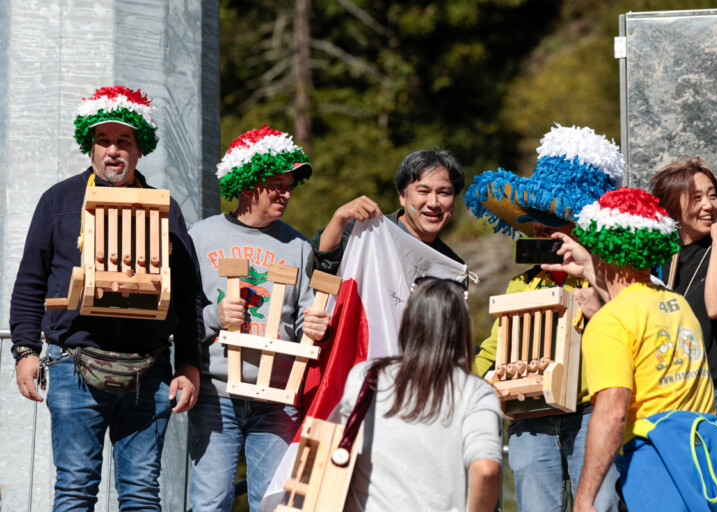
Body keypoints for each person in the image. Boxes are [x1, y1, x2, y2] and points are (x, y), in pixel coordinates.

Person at [9, 85, 201, 510]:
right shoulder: (58, 201)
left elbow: (187, 297)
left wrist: (188, 363)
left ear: (139, 149)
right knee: (76, 488)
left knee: (140, 492)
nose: (114, 151)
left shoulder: (164, 208)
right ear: (90, 147)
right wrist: (25, 350)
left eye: (124, 141)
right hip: (72, 366)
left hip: (148, 372)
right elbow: (30, 283)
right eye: (104, 141)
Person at [545, 187, 717, 512]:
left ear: (605, 251)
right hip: (707, 466)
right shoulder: (677, 304)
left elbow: (612, 412)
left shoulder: (610, 322)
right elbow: (637, 295)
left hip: (656, 470)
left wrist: (584, 499)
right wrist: (591, 266)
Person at [465, 124, 625, 511]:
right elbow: (494, 347)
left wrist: (599, 304)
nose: (542, 226)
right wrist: (475, 384)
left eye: (555, 218)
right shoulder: (522, 283)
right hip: (528, 421)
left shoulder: (614, 281)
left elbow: (638, 333)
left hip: (592, 415)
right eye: (537, 218)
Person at [187, 125, 331, 511]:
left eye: (288, 185)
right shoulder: (201, 237)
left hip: (278, 400)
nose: (286, 193)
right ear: (248, 184)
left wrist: (315, 327)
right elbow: (177, 319)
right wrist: (214, 315)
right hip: (215, 395)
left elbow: (304, 319)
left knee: (275, 505)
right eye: (276, 184)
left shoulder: (298, 246)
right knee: (209, 504)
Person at [650, 156, 717, 500]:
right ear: (672, 207)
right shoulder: (662, 262)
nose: (708, 205)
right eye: (696, 198)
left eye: (711, 195)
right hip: (683, 394)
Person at [340, 278, 502, 512]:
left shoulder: (365, 376)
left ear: (409, 322)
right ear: (462, 328)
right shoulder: (477, 392)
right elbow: (486, 470)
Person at [307, 149, 465, 276]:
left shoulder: (453, 268)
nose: (433, 203)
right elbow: (317, 272)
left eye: (444, 193)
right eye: (423, 191)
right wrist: (338, 219)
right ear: (402, 196)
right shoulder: (364, 234)